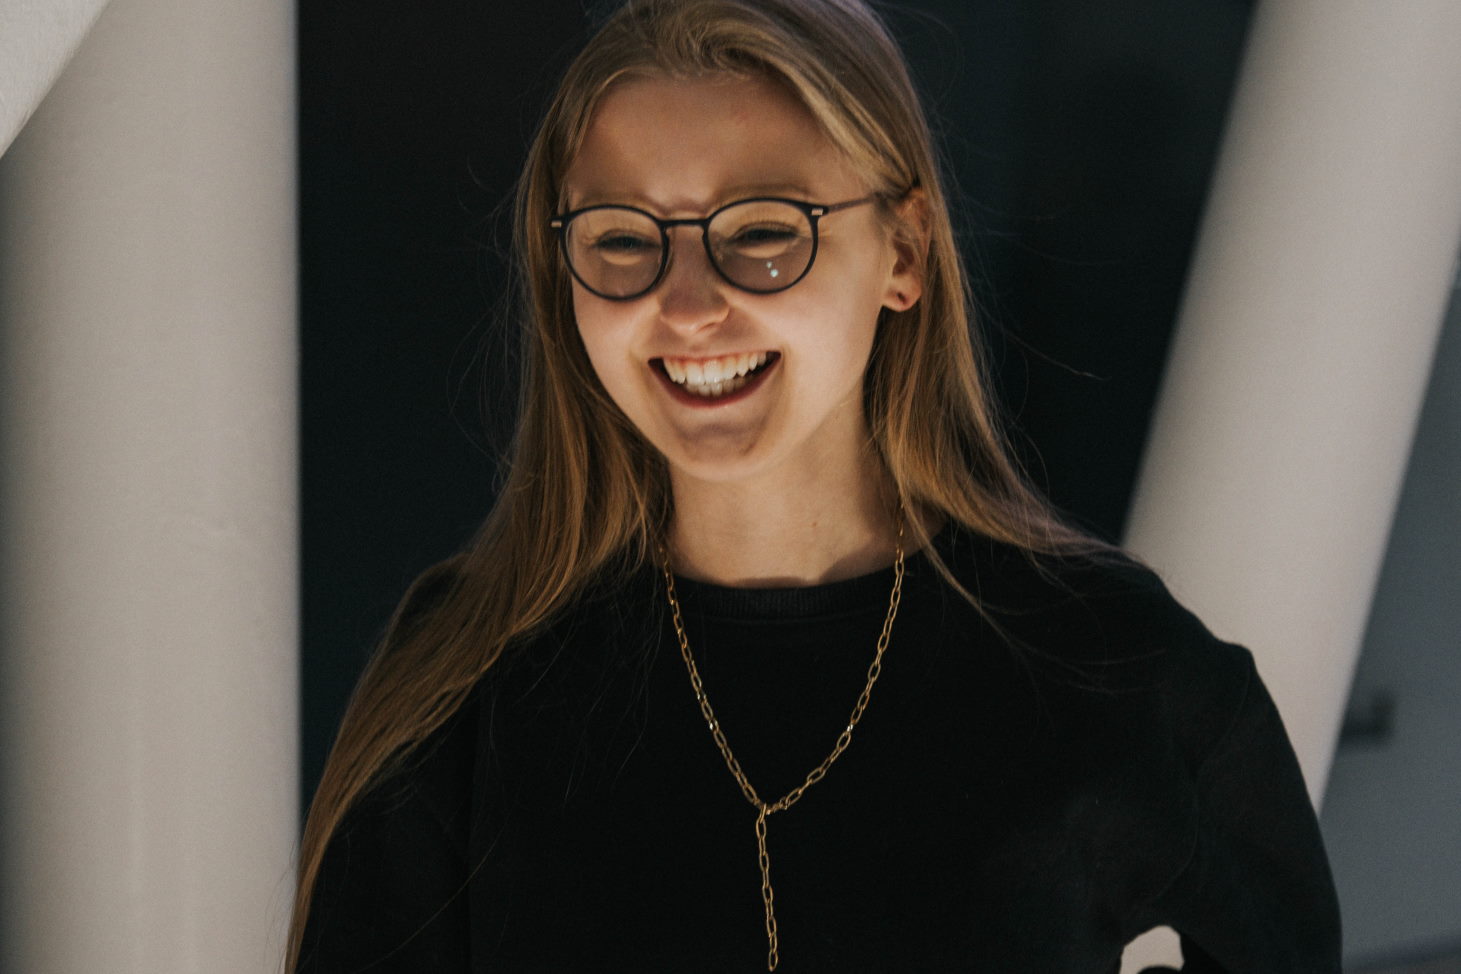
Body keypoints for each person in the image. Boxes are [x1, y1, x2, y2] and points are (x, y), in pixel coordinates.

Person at [289, 0, 1342, 970]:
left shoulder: (1105, 661)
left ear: (904, 251)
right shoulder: (467, 673)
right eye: (621, 239)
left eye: (761, 233)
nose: (685, 305)